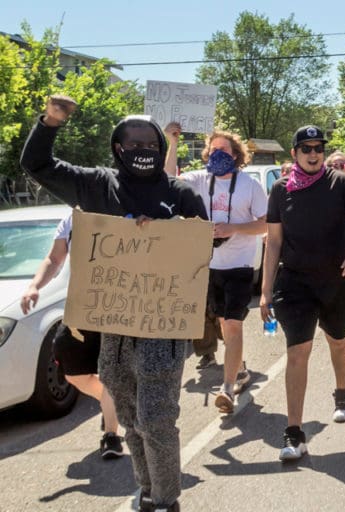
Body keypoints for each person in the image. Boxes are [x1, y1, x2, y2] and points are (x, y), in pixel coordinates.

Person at [22, 95, 208, 512]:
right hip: (114, 328)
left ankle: (166, 498)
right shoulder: (95, 184)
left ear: (161, 147)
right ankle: (147, 489)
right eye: (133, 142)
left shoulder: (179, 193)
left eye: (150, 143)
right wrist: (50, 121)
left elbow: (205, 247)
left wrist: (169, 232)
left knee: (157, 416)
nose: (142, 150)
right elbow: (37, 165)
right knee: (130, 417)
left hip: (163, 329)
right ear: (117, 148)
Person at [260, 125, 345, 460]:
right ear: (294, 154)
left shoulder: (342, 183)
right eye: (305, 148)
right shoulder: (280, 191)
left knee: (338, 341)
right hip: (295, 284)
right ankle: (294, 433)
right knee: (298, 352)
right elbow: (274, 241)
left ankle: (341, 392)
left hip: (339, 280)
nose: (313, 153)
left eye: (318, 148)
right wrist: (265, 291)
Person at [165, 124, 268, 414]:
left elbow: (266, 224)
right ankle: (242, 371)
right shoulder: (199, 179)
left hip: (239, 266)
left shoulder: (250, 186)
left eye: (224, 150)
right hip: (209, 266)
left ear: (236, 155)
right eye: (213, 149)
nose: (216, 154)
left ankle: (226, 390)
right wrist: (172, 142)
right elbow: (168, 179)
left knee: (232, 325)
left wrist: (234, 227)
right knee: (223, 324)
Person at [20, 214, 124, 460]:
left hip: (117, 307)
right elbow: (54, 258)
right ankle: (112, 403)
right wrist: (35, 286)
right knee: (72, 371)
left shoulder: (120, 208)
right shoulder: (72, 219)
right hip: (81, 310)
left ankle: (111, 436)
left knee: (110, 373)